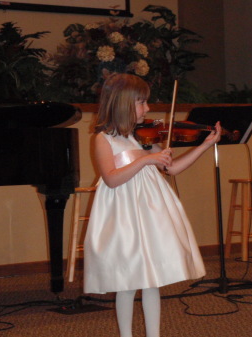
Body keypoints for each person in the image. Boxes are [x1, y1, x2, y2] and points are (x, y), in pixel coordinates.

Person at [83, 73, 222, 337]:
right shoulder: (104, 139)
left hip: (149, 211)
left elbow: (173, 168)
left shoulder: (143, 136)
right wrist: (146, 160)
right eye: (141, 103)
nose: (147, 109)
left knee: (151, 280)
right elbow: (112, 179)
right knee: (127, 281)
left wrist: (204, 145)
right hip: (122, 213)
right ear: (122, 103)